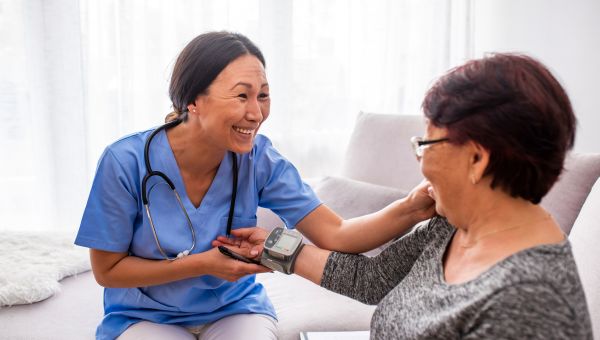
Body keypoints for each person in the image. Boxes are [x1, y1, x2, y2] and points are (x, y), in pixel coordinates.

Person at [75, 31, 433, 340]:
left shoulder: (259, 159)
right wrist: (203, 264)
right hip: (145, 315)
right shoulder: (126, 161)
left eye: (263, 95)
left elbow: (337, 233)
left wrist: (411, 207)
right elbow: (107, 270)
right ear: (193, 102)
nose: (256, 113)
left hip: (233, 309)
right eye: (241, 96)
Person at [220, 53, 594, 339]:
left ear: (477, 159)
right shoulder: (453, 227)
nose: (421, 160)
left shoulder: (530, 301)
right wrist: (272, 246)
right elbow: (370, 279)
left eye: (426, 143)